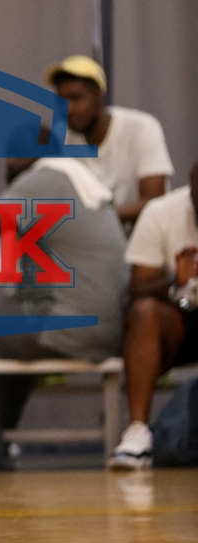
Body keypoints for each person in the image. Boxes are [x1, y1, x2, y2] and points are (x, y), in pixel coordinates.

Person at [0, 134, 129, 471]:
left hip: (65, 320)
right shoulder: (81, 182)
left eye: (18, 154)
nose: (10, 163)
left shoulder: (45, 178)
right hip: (106, 326)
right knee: (1, 329)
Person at [109, 161, 198, 469]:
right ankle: (138, 433)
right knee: (144, 312)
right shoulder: (161, 212)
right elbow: (137, 289)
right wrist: (175, 281)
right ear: (191, 182)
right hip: (181, 318)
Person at [47, 55, 173, 227]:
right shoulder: (59, 136)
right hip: (88, 238)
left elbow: (154, 200)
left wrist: (97, 221)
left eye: (76, 98)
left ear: (99, 96)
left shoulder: (142, 127)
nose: (68, 109)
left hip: (141, 237)